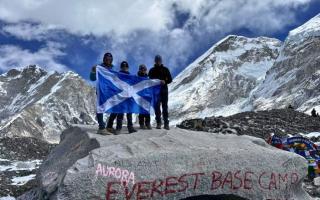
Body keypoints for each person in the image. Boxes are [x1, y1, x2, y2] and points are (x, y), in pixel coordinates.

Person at [106, 61, 137, 134]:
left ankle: (130, 128)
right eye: (123, 67)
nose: (124, 68)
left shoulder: (130, 76)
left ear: (128, 68)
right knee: (120, 112)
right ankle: (118, 128)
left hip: (128, 96)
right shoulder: (117, 75)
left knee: (129, 112)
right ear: (121, 67)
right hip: (120, 96)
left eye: (126, 67)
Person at [90, 52, 115, 135]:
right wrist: (93, 71)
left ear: (111, 60)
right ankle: (101, 127)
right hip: (101, 90)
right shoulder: (99, 67)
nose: (108, 60)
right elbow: (92, 78)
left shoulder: (113, 69)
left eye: (110, 59)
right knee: (101, 107)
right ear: (104, 59)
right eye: (107, 59)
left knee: (116, 107)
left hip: (110, 91)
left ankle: (109, 126)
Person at [148, 55, 172, 130]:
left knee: (165, 107)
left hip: (164, 91)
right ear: (155, 61)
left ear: (161, 61)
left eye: (159, 60)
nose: (158, 61)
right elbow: (149, 81)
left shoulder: (165, 69)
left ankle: (166, 124)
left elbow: (170, 79)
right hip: (155, 92)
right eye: (157, 60)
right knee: (157, 107)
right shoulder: (151, 70)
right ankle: (158, 123)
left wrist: (165, 81)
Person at [137, 64, 152, 130]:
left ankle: (148, 123)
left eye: (144, 69)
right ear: (140, 70)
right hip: (140, 96)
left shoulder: (148, 78)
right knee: (141, 110)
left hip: (147, 95)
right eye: (142, 69)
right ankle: (141, 124)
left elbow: (151, 87)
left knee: (147, 110)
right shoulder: (136, 78)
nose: (143, 70)